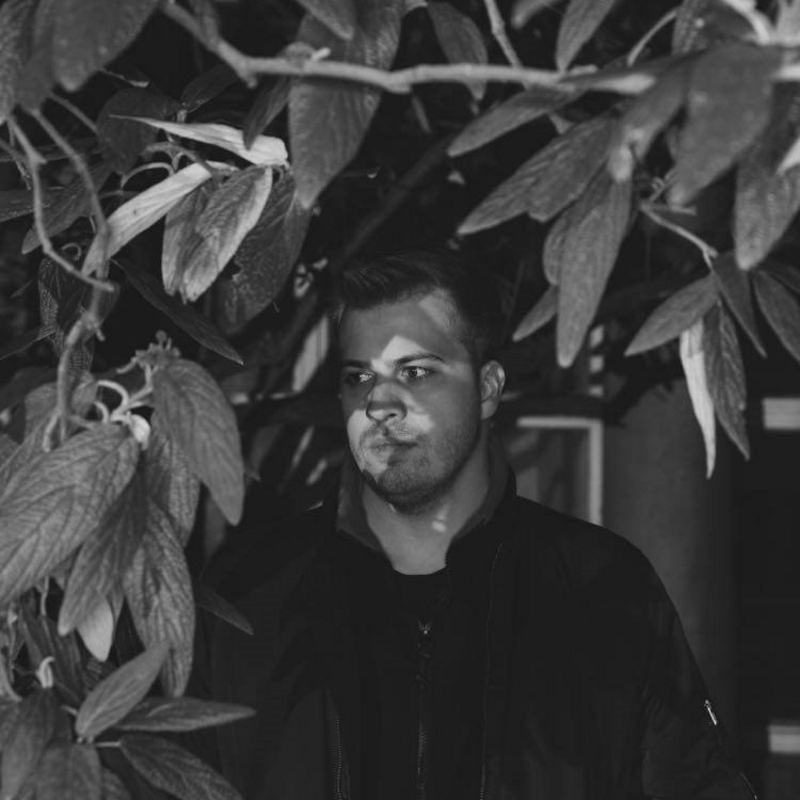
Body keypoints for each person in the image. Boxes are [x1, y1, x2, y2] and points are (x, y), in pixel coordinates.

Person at [194, 251, 754, 800]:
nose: (379, 402)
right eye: (359, 375)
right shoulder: (251, 591)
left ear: (487, 389)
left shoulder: (602, 585)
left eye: (415, 372)